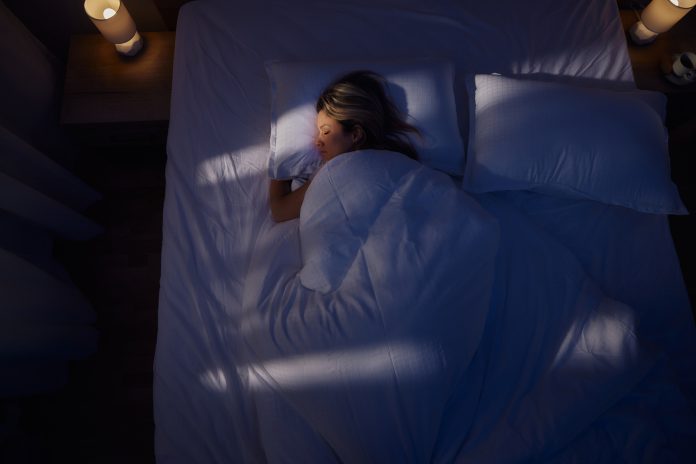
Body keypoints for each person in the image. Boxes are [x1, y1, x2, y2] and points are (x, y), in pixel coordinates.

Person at [269, 70, 420, 222]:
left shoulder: (333, 171)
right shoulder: (400, 159)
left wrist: (281, 161)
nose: (317, 141)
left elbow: (280, 211)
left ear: (355, 134)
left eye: (326, 132)